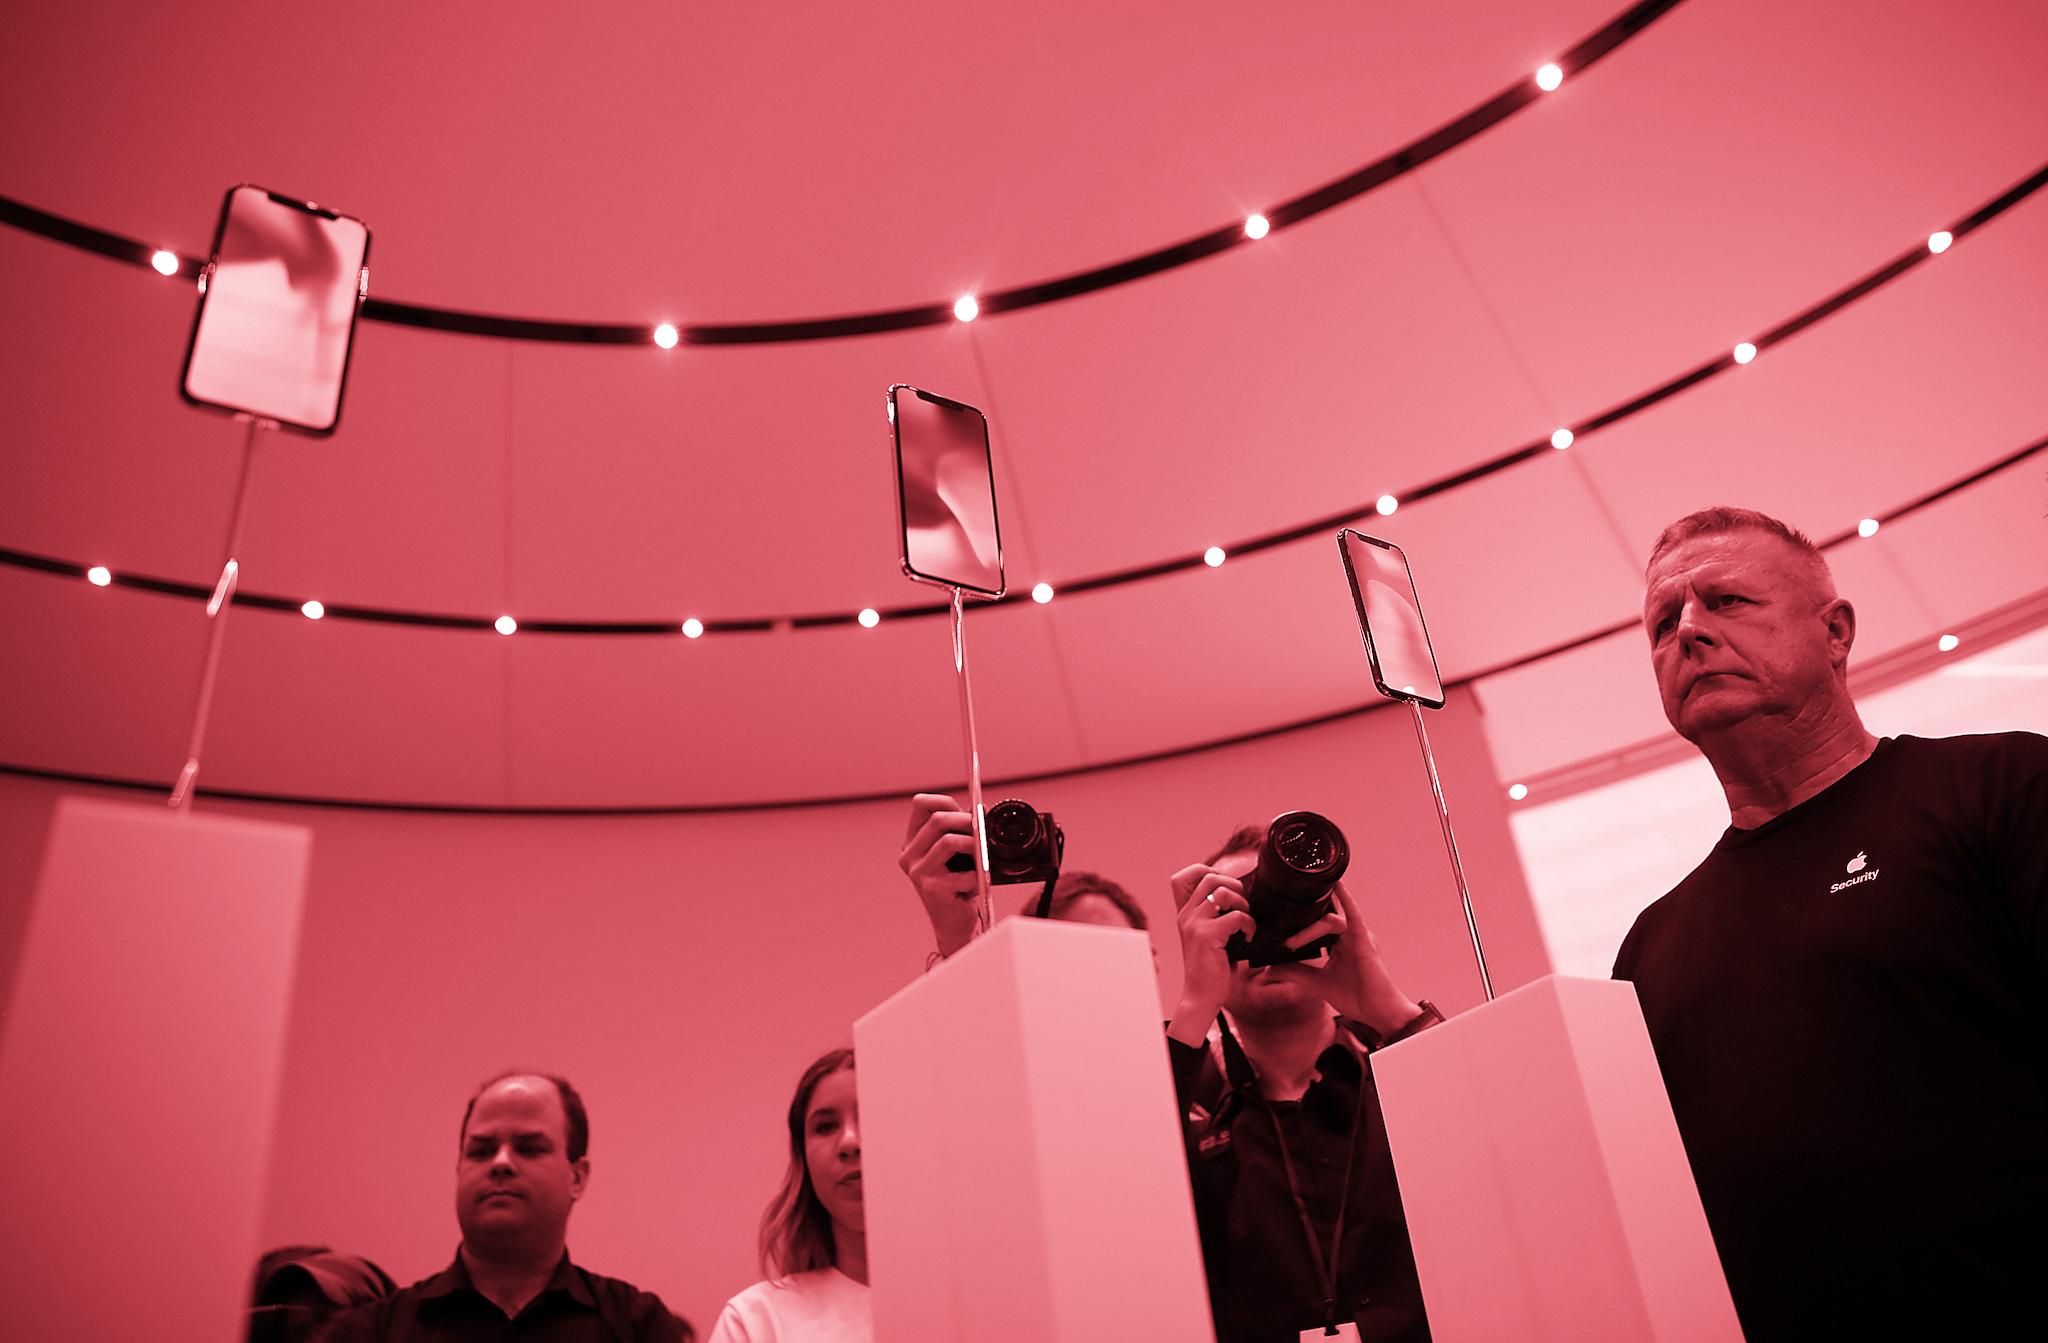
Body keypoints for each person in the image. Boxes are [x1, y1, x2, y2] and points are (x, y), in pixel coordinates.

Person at [1612, 507, 2048, 1340]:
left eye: (1727, 601)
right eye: (1664, 623)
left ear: (1836, 632)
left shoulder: (2003, 789)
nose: (1689, 632)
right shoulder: (1650, 947)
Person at [1166, 824, 1438, 1343]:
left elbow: (1513, 1160)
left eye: (1279, 905)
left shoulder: (1403, 1072)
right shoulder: (1186, 1106)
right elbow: (1117, 1198)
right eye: (1237, 912)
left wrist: (1393, 1013)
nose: (1262, 929)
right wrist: (1195, 1005)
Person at [317, 1072, 685, 1342]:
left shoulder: (639, 1326)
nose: (501, 1163)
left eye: (529, 1147)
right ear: (459, 1169)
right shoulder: (368, 1333)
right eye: (480, 1151)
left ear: (577, 1177)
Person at [707, 1048, 869, 1343]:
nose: (849, 1141)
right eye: (826, 1126)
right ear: (804, 1160)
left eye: (872, 1114)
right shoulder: (755, 1322)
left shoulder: (974, 1293)